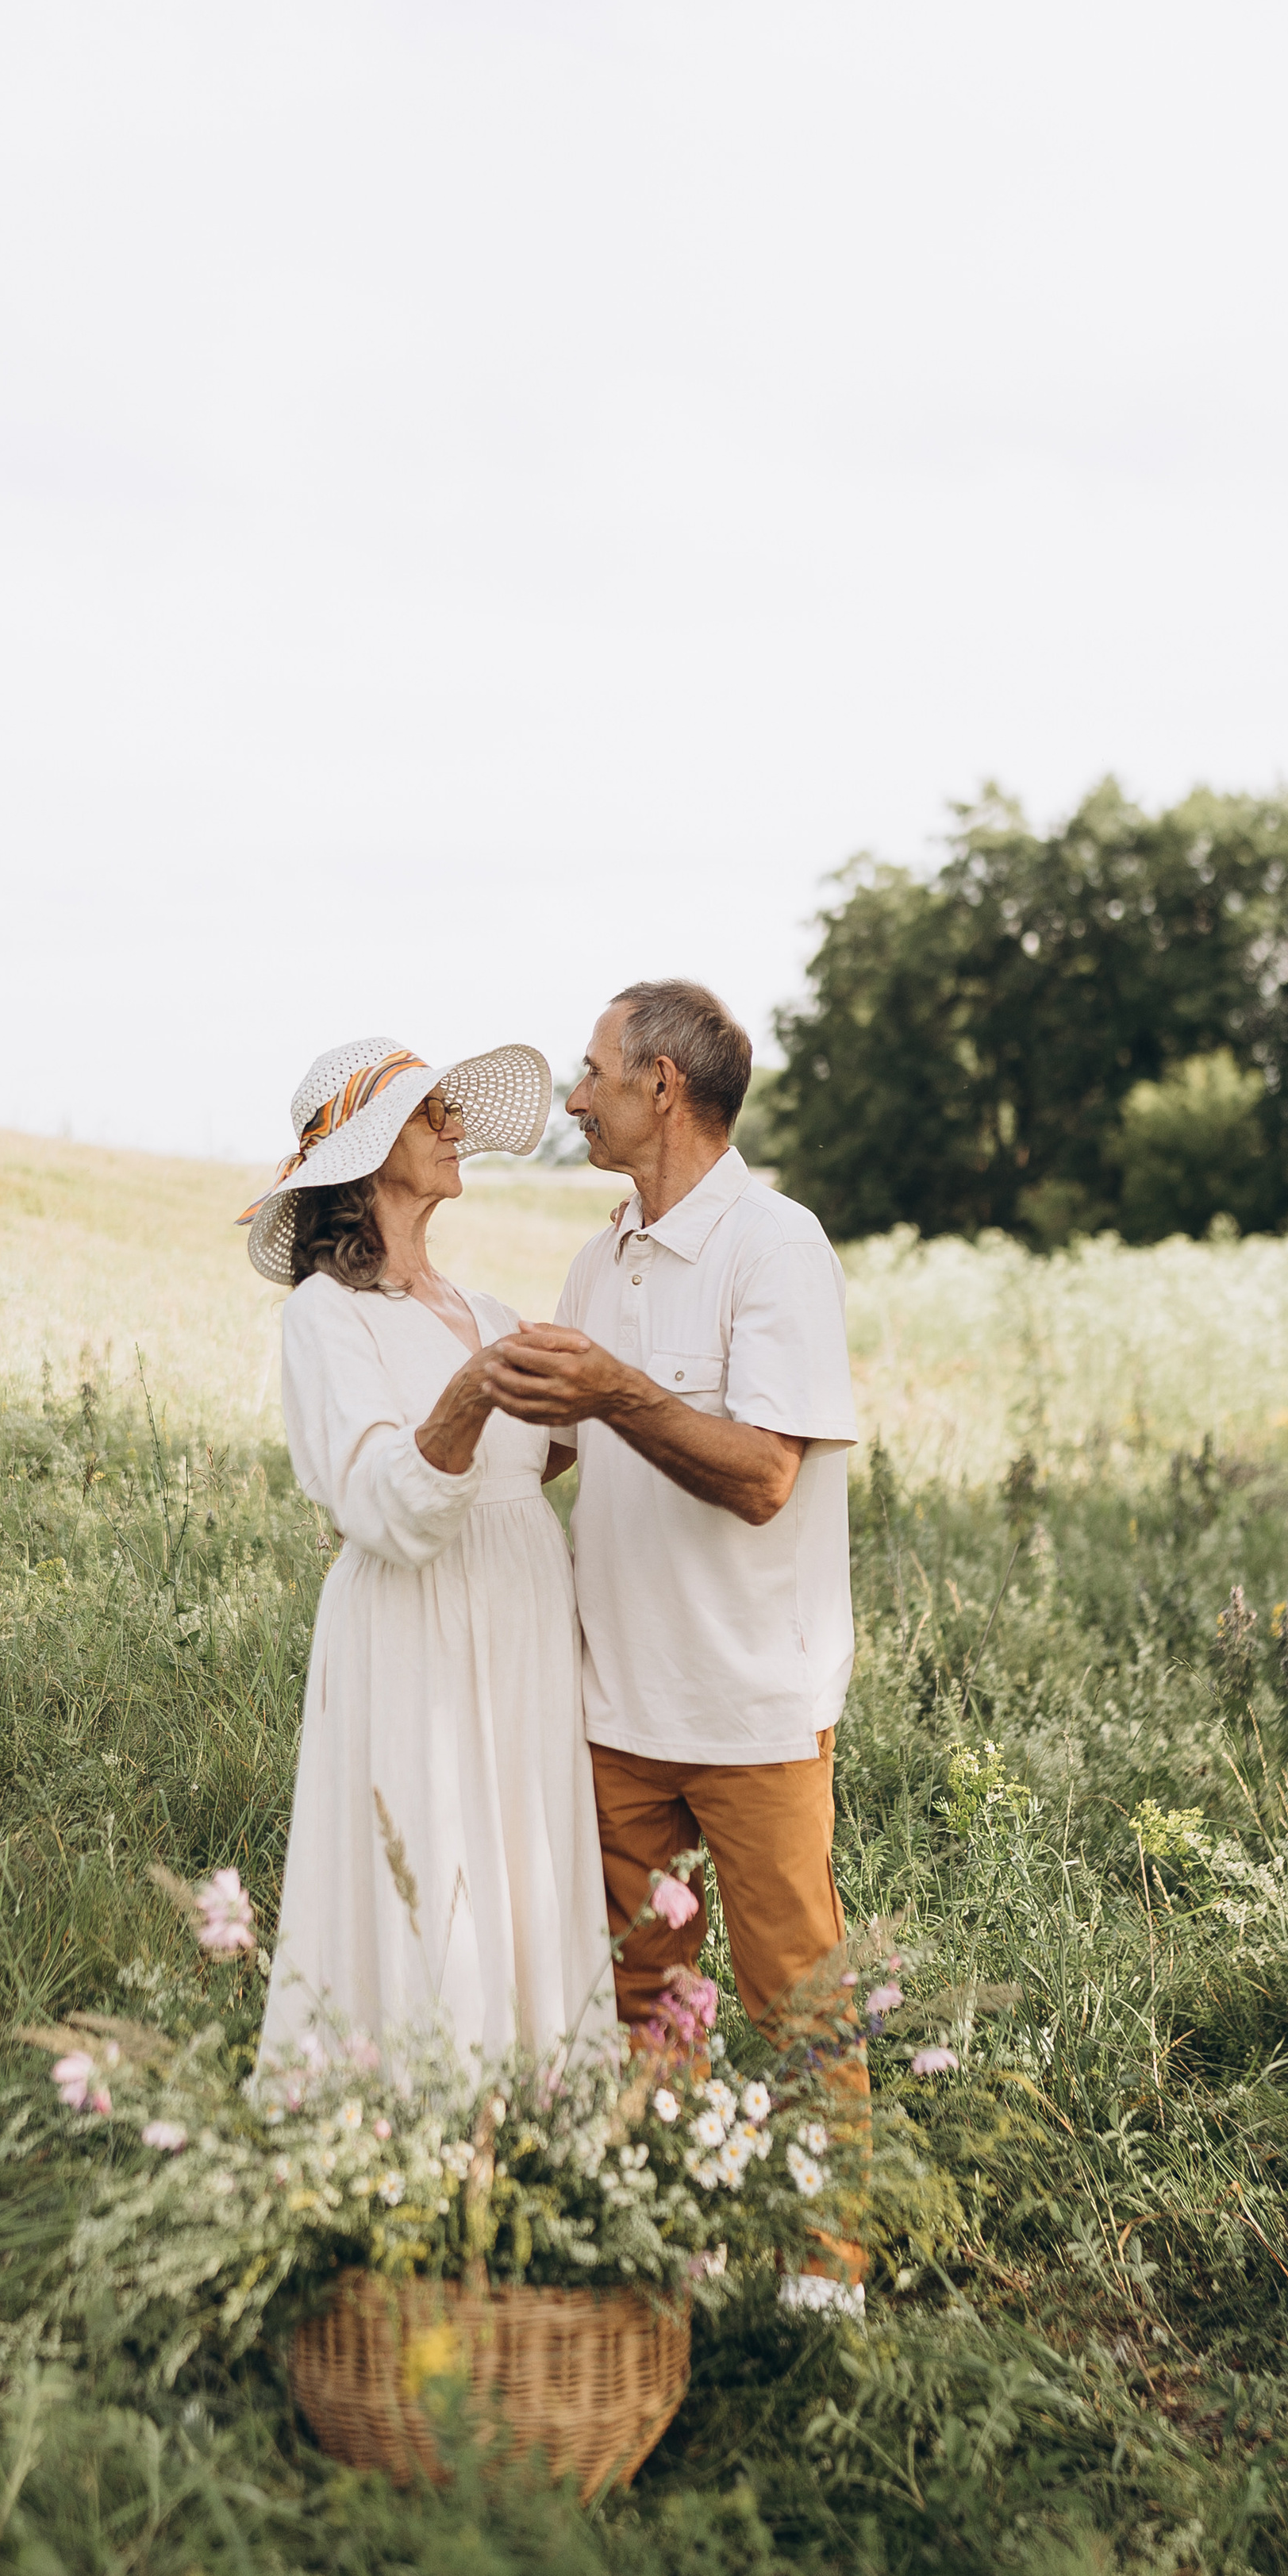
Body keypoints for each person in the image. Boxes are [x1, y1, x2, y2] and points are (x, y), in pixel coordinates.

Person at [479, 979, 869, 2309]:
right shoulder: (600, 1260)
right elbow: (567, 1441)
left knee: (797, 2001)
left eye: (590, 1074)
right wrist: (414, 1488)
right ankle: (671, 2242)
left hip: (752, 1698)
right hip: (614, 1700)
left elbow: (765, 1475)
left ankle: (833, 2278)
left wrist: (616, 1391)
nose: (571, 1101)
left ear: (662, 1086)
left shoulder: (777, 1247)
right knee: (638, 2000)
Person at [242, 1033, 614, 2077]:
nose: (455, 1127)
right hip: (413, 1627)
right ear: (363, 1156)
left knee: (522, 1859)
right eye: (427, 1113)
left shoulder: (486, 1312)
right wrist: (475, 1391)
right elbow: (388, 1510)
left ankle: (539, 2127)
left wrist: (608, 1380)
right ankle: (416, 2139)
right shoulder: (327, 1318)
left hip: (522, 1618)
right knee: (430, 1856)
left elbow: (526, 1466)